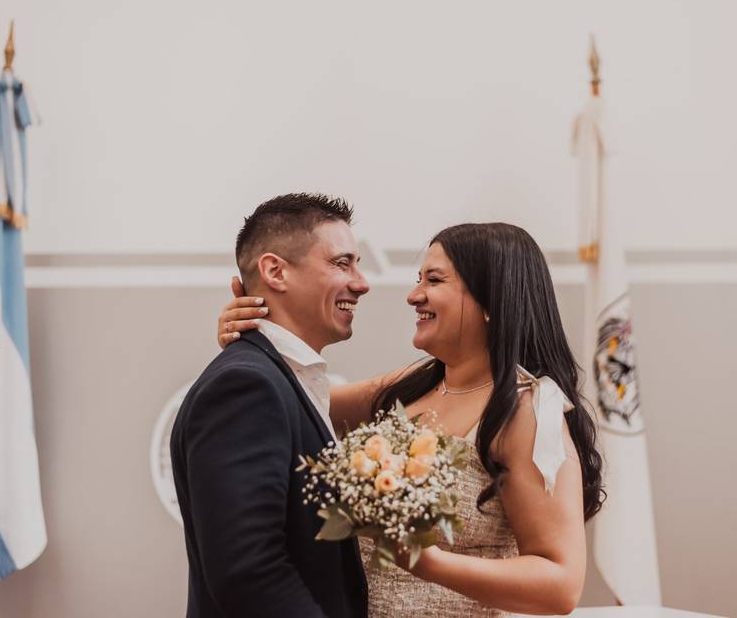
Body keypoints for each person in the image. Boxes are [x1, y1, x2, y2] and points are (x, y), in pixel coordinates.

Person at [218, 222, 605, 617]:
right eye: (418, 279)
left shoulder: (525, 411)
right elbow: (291, 402)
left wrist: (428, 561)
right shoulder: (412, 385)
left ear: (491, 301)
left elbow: (560, 584)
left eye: (434, 280)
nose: (413, 295)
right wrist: (254, 336)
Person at [171, 193, 371, 617]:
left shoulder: (277, 378)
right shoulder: (246, 386)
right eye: (342, 263)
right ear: (275, 271)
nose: (361, 282)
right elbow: (248, 571)